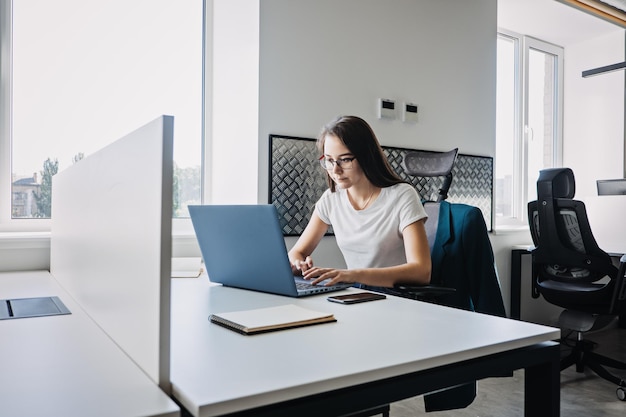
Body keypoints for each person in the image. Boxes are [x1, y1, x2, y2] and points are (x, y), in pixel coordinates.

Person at [287, 115, 431, 290]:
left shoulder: (402, 196)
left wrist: (352, 275)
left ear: (366, 156)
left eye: (345, 160)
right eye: (330, 160)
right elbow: (297, 252)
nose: (336, 170)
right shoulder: (331, 199)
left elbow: (422, 271)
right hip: (355, 295)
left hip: (395, 299)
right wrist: (299, 263)